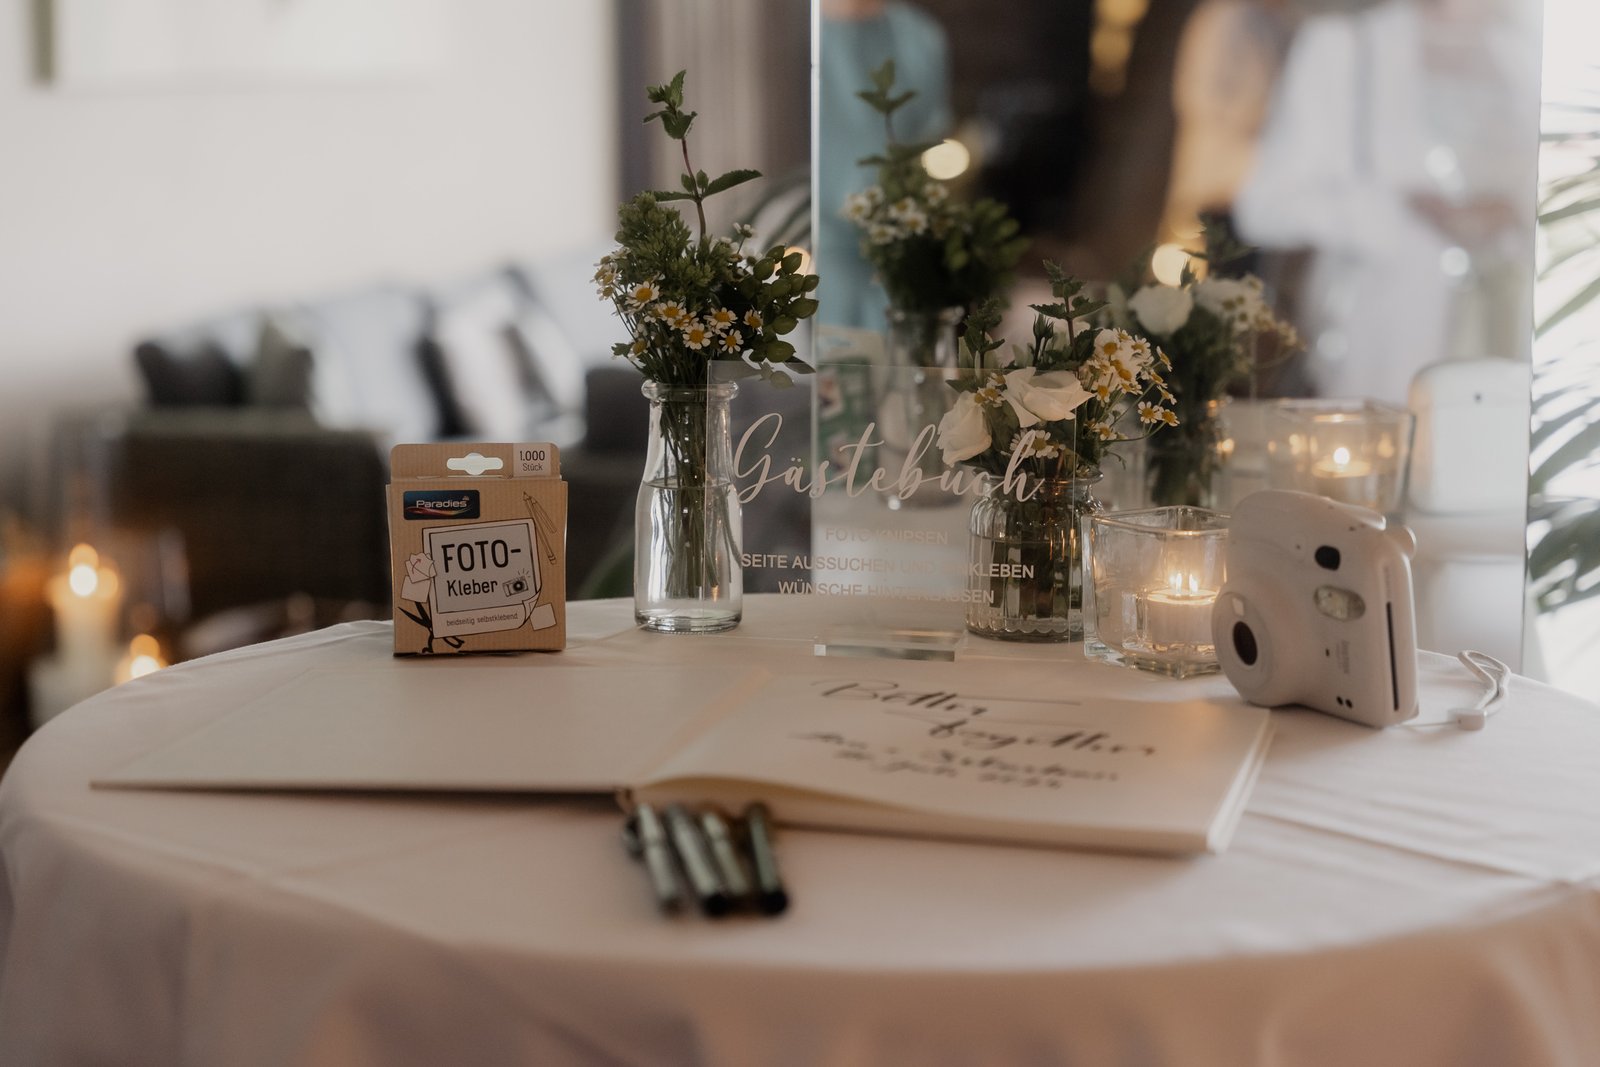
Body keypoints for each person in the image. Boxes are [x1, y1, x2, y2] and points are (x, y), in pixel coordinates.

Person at [1233, 0, 1538, 405]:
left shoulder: (1525, 56)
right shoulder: (1346, 46)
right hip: (1380, 354)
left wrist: (1510, 215)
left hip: (1501, 353)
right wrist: (1395, 214)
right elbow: (1262, 208)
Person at [817, 0, 952, 331]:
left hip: (900, 239)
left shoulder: (918, 36)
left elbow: (932, 139)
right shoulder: (796, 31)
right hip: (815, 236)